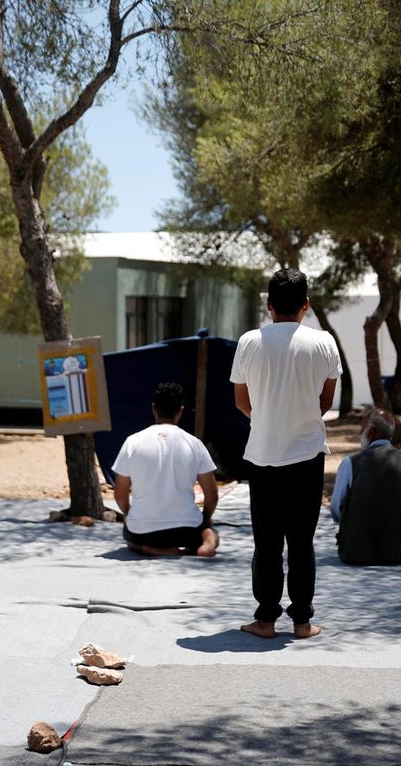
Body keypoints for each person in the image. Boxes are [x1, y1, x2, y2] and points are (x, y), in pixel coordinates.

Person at [231, 268, 342, 639]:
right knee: (301, 541)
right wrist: (300, 416)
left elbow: (241, 401)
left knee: (266, 542)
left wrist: (268, 418)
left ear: (269, 306)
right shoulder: (324, 343)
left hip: (262, 454)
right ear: (306, 305)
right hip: (308, 455)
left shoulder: (249, 342)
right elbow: (326, 401)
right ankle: (302, 622)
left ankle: (265, 620)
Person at [111, 382, 219, 557]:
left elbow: (120, 494)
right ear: (181, 411)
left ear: (154, 409)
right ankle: (207, 540)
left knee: (130, 537)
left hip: (144, 532)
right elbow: (212, 495)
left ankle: (151, 549)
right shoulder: (195, 444)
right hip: (187, 529)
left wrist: (130, 515)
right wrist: (205, 519)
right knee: (208, 529)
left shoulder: (132, 442)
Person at [329, 407, 401, 565]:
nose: (360, 432)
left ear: (371, 432)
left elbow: (336, 507)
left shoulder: (351, 462)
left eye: (362, 428)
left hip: (359, 552)